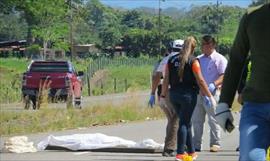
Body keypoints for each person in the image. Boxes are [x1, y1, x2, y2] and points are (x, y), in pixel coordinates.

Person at [215, 3, 270, 161]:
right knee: (249, 157)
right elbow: (237, 58)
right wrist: (224, 102)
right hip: (255, 106)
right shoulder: (252, 17)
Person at [161, 36, 216, 161]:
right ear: (193, 47)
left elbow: (166, 79)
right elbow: (200, 80)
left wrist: (163, 95)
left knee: (186, 121)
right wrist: (209, 96)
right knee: (184, 123)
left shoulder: (171, 60)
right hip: (188, 96)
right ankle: (180, 153)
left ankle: (191, 152)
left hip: (174, 95)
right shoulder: (193, 61)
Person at [192, 35, 228, 152]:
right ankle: (196, 144)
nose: (204, 47)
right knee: (197, 120)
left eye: (206, 45)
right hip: (199, 93)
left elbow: (224, 75)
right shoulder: (198, 59)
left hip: (213, 93)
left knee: (213, 119)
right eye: (202, 45)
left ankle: (215, 143)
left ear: (212, 45)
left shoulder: (220, 59)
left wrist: (213, 84)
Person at [148, 39, 184, 157]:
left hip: (161, 93)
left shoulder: (165, 59)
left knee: (171, 120)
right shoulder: (181, 60)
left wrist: (153, 93)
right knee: (176, 119)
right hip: (172, 92)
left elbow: (156, 76)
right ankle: (170, 147)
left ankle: (175, 144)